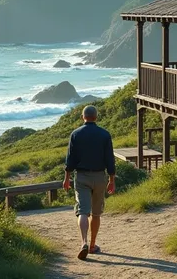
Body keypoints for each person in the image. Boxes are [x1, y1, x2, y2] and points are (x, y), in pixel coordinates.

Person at [63, 105, 116, 261]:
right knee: (96, 213)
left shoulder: (75, 134)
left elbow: (70, 159)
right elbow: (109, 159)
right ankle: (92, 245)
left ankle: (83, 242)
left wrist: (66, 178)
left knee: (83, 211)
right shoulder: (105, 135)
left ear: (82, 117)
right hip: (100, 176)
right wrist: (112, 180)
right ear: (96, 117)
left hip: (82, 177)